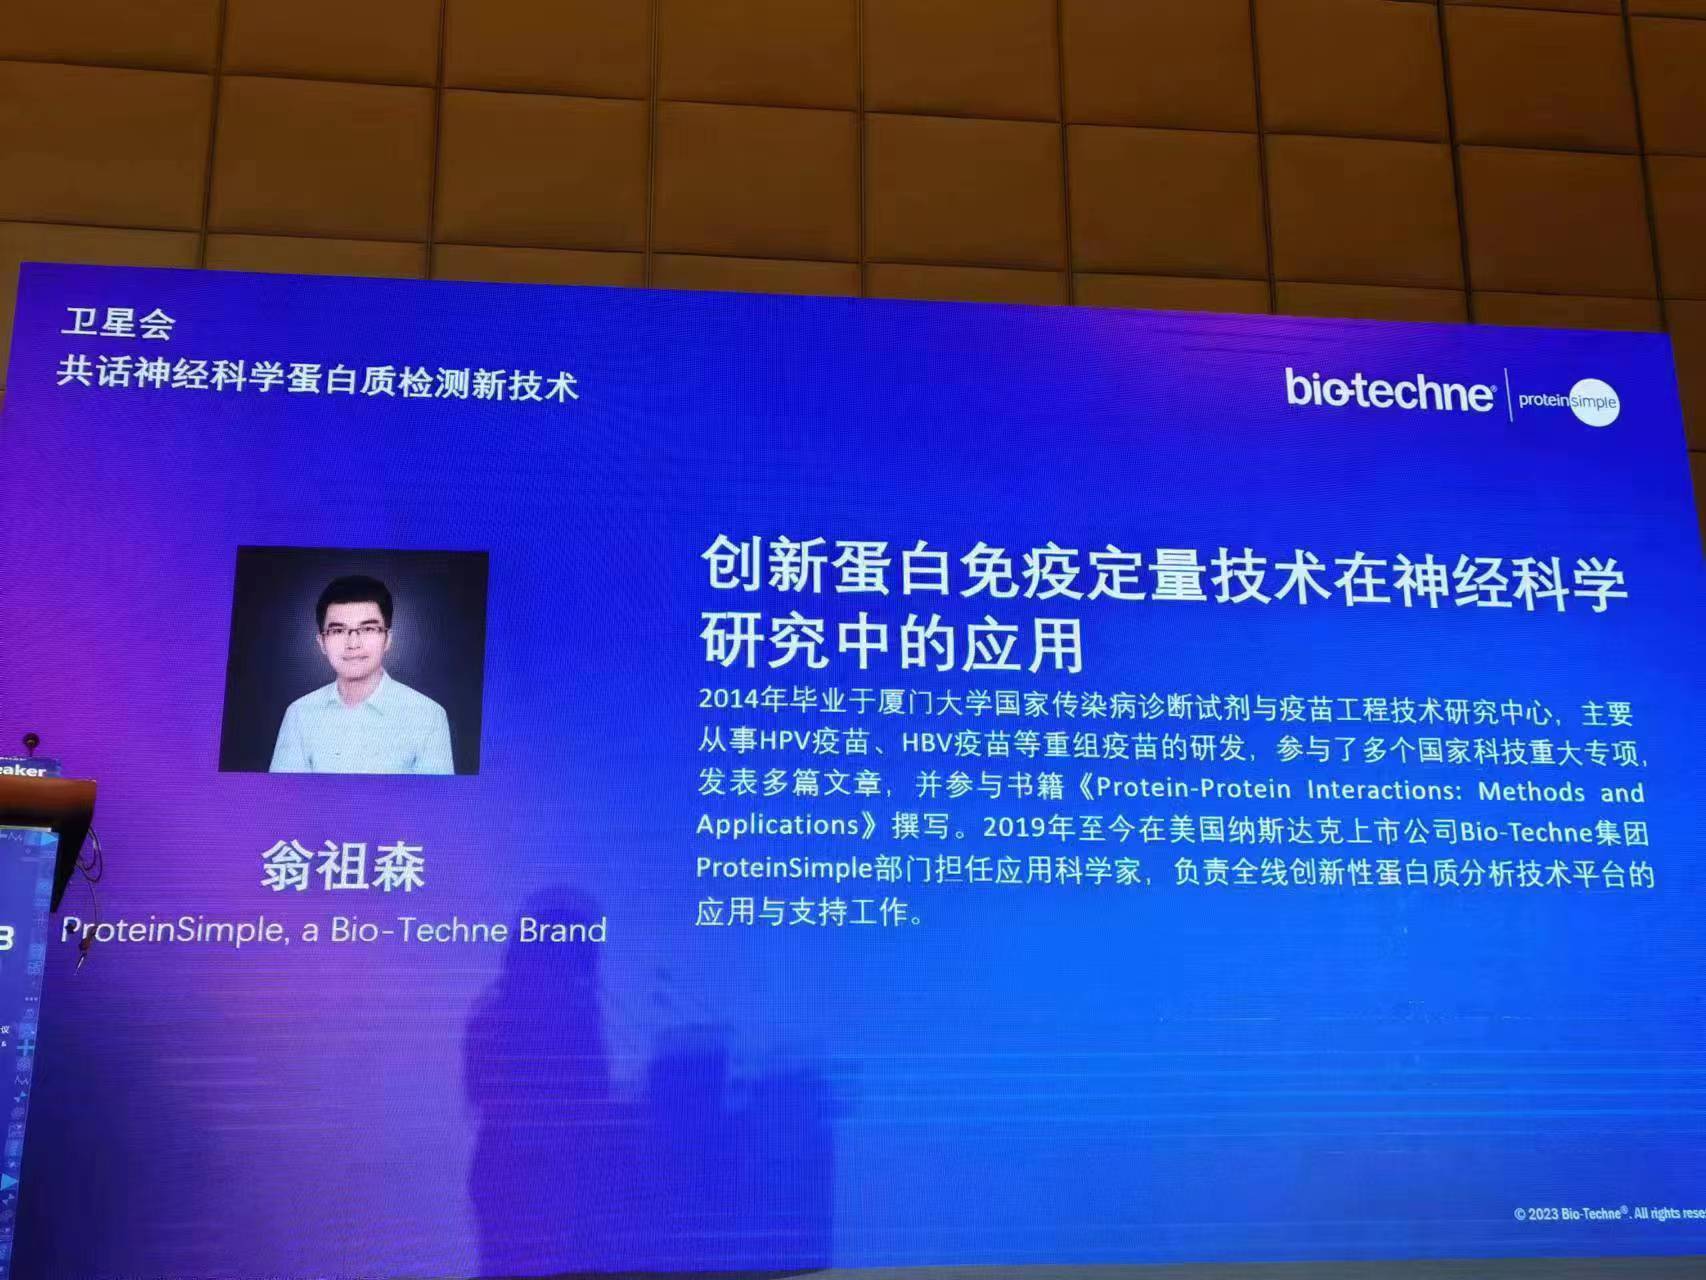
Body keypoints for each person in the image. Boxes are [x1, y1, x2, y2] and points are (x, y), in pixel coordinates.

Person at [269, 575, 454, 774]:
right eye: (338, 631)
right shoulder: (300, 714)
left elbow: (435, 795)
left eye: (367, 629)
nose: (353, 643)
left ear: (387, 639)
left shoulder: (427, 716)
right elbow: (282, 793)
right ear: (321, 643)